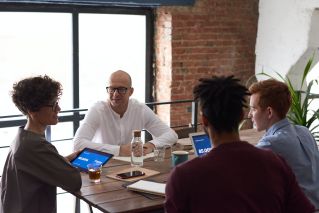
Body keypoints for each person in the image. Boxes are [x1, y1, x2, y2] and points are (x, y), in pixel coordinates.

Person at [165, 76, 315, 213]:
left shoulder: (181, 177)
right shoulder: (296, 140)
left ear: (204, 120)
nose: (250, 114)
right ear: (240, 116)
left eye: (253, 109)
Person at [0, 75, 82, 213]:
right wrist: (66, 166)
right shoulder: (35, 145)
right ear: (33, 111)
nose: (59, 109)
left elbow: (36, 166)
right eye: (54, 105)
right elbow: (74, 181)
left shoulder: (23, 137)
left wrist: (63, 160)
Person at [248, 78, 319, 209]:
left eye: (253, 109)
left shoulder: (270, 144)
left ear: (269, 112)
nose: (249, 114)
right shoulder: (305, 132)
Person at [73, 70, 178, 156]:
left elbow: (171, 135)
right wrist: (119, 150)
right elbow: (77, 144)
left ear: (131, 91)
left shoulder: (140, 109)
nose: (115, 94)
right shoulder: (97, 110)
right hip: (102, 166)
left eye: (121, 89)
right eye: (112, 89)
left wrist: (150, 145)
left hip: (131, 165)